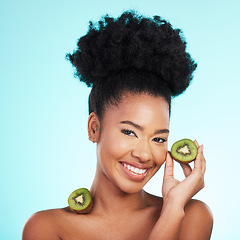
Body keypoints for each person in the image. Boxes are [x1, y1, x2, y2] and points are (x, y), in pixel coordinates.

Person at [22, 10, 213, 240]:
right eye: (130, 132)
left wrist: (173, 209)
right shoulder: (47, 228)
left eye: (159, 139)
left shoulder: (192, 215)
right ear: (94, 128)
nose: (144, 154)